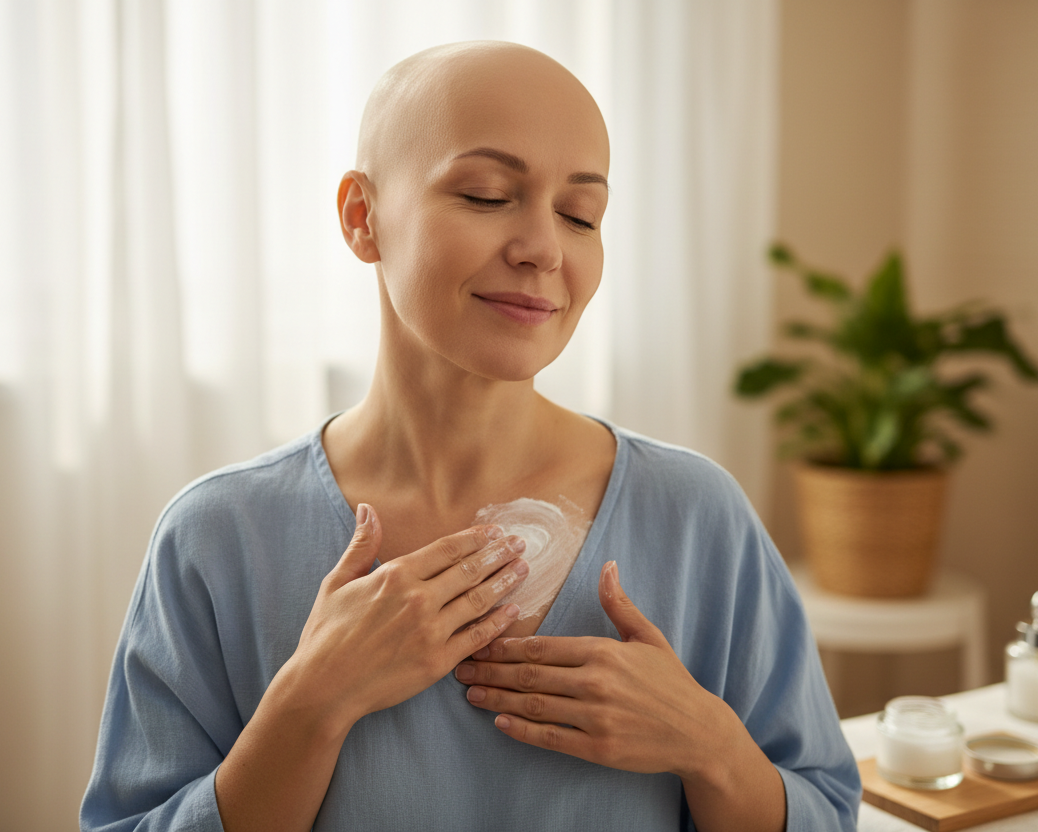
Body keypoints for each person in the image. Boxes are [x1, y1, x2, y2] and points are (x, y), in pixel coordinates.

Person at [80, 41, 861, 832]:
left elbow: (828, 811)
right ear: (362, 217)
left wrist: (712, 748)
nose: (545, 248)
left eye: (579, 214)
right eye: (488, 195)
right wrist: (312, 703)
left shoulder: (697, 516)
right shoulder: (217, 538)